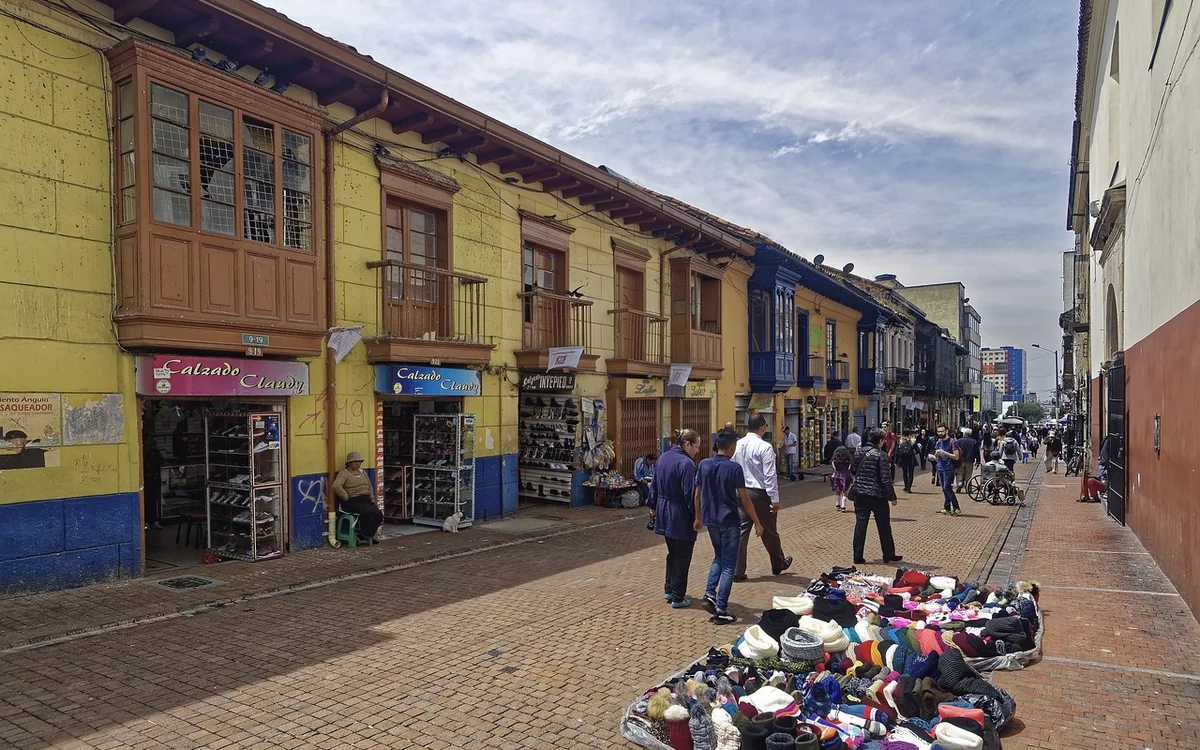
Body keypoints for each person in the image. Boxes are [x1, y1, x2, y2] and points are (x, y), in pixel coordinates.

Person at [698, 430, 763, 624]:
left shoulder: (704, 464)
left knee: (718, 556)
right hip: (729, 519)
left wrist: (698, 516)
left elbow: (697, 493)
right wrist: (757, 521)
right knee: (728, 564)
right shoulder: (734, 468)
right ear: (732, 447)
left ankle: (709, 593)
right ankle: (720, 608)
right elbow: (744, 498)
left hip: (711, 519)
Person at [732, 415, 793, 580]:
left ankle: (737, 571)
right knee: (769, 531)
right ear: (762, 427)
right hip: (759, 494)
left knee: (741, 531)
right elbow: (770, 476)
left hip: (741, 491)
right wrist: (775, 499)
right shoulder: (765, 447)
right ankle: (778, 562)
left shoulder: (737, 445)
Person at [652, 429, 702, 608]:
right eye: (696, 446)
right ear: (687, 444)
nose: (697, 451)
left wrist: (653, 507)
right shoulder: (687, 464)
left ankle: (669, 589)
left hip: (664, 511)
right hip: (679, 514)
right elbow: (690, 494)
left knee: (672, 553)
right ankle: (678, 597)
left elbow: (654, 486)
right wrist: (697, 517)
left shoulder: (663, 458)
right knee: (682, 555)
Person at [849, 428, 901, 565]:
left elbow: (853, 470)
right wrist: (892, 497)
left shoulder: (859, 452)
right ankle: (888, 554)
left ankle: (857, 556)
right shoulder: (881, 455)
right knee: (884, 526)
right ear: (880, 440)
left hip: (860, 494)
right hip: (877, 495)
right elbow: (885, 478)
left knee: (860, 525)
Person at [331, 451, 384, 544]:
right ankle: (363, 534)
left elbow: (369, 485)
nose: (357, 463)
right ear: (349, 463)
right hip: (352, 501)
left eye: (359, 461)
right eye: (355, 462)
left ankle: (366, 534)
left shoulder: (363, 473)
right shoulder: (344, 473)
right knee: (369, 512)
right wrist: (345, 496)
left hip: (365, 500)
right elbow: (336, 486)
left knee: (378, 514)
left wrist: (372, 497)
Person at [932, 424, 961, 515]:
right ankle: (947, 507)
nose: (940, 433)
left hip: (949, 468)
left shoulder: (952, 442)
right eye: (938, 431)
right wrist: (936, 455)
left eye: (942, 431)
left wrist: (944, 452)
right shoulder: (938, 442)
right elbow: (937, 456)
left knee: (947, 488)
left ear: (946, 431)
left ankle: (956, 507)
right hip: (940, 467)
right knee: (944, 489)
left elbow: (956, 456)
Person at [831, 444, 854, 511]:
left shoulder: (834, 461)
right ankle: (843, 506)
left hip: (837, 475)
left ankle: (837, 504)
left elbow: (834, 469)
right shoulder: (848, 461)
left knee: (837, 490)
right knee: (845, 491)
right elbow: (849, 468)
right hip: (846, 475)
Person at [954, 427, 977, 493]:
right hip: (970, 460)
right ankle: (968, 488)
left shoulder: (959, 441)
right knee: (968, 475)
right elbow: (976, 452)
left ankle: (959, 483)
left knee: (959, 473)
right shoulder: (973, 441)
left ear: (964, 434)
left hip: (960, 460)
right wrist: (978, 460)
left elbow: (955, 450)